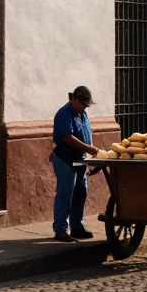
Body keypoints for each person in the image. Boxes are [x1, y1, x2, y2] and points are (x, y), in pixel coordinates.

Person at [52, 85, 99, 241]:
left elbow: (86, 134)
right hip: (65, 159)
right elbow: (68, 138)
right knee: (66, 193)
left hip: (80, 160)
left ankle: (77, 227)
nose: (85, 107)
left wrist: (90, 152)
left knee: (81, 192)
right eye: (83, 104)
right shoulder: (63, 114)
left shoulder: (82, 114)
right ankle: (60, 229)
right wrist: (88, 148)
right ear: (75, 100)